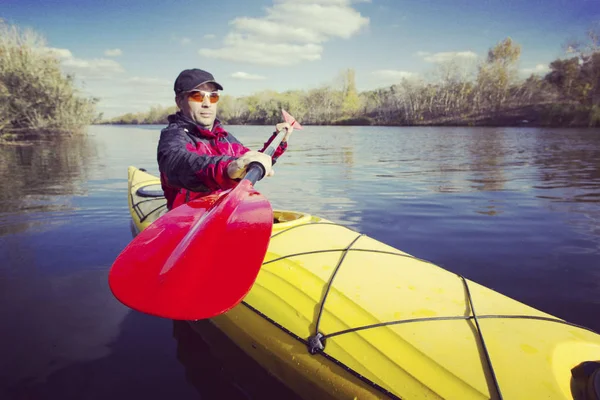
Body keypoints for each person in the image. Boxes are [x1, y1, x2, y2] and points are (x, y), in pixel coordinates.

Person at [157, 68, 293, 210]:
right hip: (188, 221)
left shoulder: (225, 138)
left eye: (213, 96)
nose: (207, 103)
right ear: (179, 101)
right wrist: (229, 168)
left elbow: (250, 160)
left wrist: (279, 142)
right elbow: (180, 165)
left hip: (224, 214)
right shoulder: (173, 137)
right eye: (197, 96)